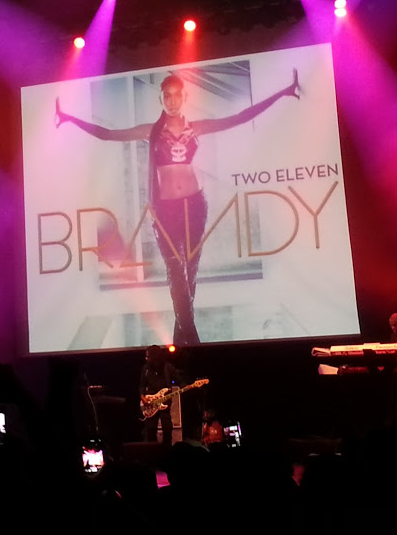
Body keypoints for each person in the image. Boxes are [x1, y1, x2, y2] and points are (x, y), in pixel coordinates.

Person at [56, 70, 300, 345]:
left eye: (177, 95)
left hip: (195, 205)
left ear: (185, 97)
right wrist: (70, 118)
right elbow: (108, 134)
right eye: (167, 96)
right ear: (161, 99)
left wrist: (282, 93)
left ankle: (180, 341)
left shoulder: (196, 127)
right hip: (166, 210)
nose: (172, 101)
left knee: (189, 274)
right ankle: (192, 341)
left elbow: (240, 117)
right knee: (175, 270)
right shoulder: (151, 131)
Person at [139, 345, 181, 447]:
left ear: (155, 357)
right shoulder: (146, 368)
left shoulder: (168, 367)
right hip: (150, 402)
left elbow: (178, 380)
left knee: (167, 428)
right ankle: (152, 450)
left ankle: (167, 449)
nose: (146, 358)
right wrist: (143, 397)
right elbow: (142, 385)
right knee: (150, 429)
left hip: (165, 402)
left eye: (148, 356)